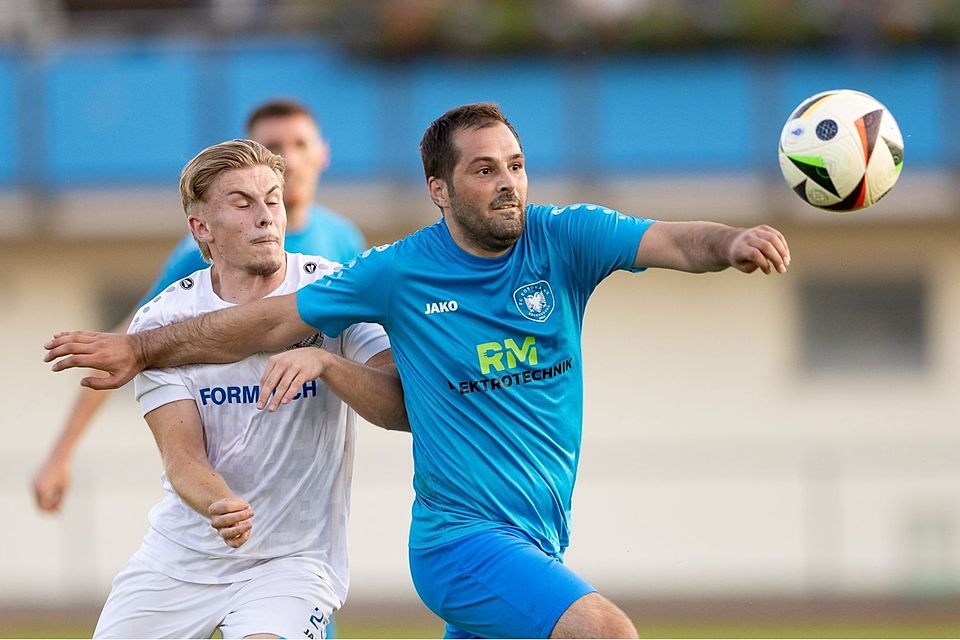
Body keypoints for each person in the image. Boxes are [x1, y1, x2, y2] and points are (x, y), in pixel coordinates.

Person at [45, 102, 791, 639]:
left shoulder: (566, 239)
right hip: (458, 540)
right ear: (439, 190)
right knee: (604, 633)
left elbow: (677, 241)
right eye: (484, 170)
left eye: (517, 166)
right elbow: (273, 322)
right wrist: (140, 351)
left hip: (530, 538)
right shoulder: (395, 273)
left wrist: (732, 241)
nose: (508, 184)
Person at [90, 138, 406, 639]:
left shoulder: (332, 289)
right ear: (202, 228)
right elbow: (182, 458)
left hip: (293, 564)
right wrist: (220, 502)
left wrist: (326, 362)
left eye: (273, 199)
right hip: (179, 561)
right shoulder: (164, 321)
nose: (267, 216)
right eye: (243, 203)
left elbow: (398, 408)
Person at [33, 98, 364, 514]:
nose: (290, 158)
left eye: (300, 144)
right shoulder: (204, 252)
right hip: (221, 465)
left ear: (322, 153)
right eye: (274, 146)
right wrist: (61, 454)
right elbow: (132, 341)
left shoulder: (341, 242)